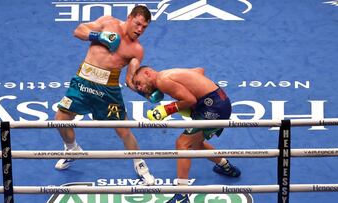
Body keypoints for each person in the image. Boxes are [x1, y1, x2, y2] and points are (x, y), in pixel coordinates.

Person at [55, 6, 161, 185]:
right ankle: (72, 150)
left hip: (108, 90)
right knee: (60, 120)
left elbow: (130, 79)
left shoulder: (137, 50)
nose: (140, 30)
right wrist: (98, 37)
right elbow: (78, 31)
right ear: (129, 17)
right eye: (138, 24)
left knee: (124, 130)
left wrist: (147, 95)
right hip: (82, 83)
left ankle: (140, 163)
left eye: (145, 27)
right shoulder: (107, 22)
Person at [132, 66, 241, 202]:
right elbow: (199, 71)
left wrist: (166, 110)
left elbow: (190, 100)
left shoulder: (162, 81)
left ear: (147, 73)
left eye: (138, 83)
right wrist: (199, 88)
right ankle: (226, 167)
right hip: (218, 100)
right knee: (195, 144)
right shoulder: (169, 74)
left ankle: (182, 194)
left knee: (182, 144)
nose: (140, 88)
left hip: (213, 107)